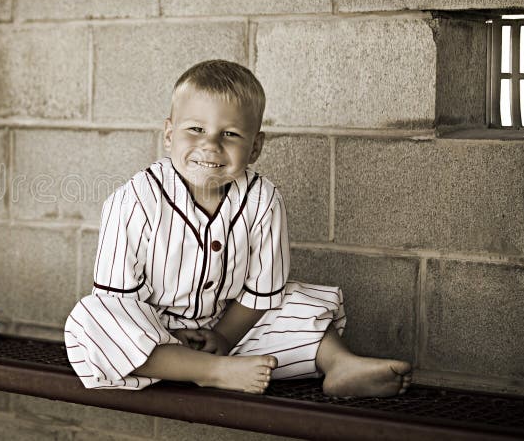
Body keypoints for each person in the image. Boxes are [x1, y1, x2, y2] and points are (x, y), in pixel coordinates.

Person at [64, 60, 412, 396]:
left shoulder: (263, 200)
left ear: (255, 146)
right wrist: (172, 339)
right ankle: (210, 373)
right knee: (91, 319)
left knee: (292, 299)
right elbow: (118, 300)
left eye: (229, 134)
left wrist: (224, 337)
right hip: (153, 339)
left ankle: (341, 365)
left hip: (229, 330)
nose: (210, 145)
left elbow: (261, 292)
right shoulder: (135, 200)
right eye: (196, 129)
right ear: (169, 135)